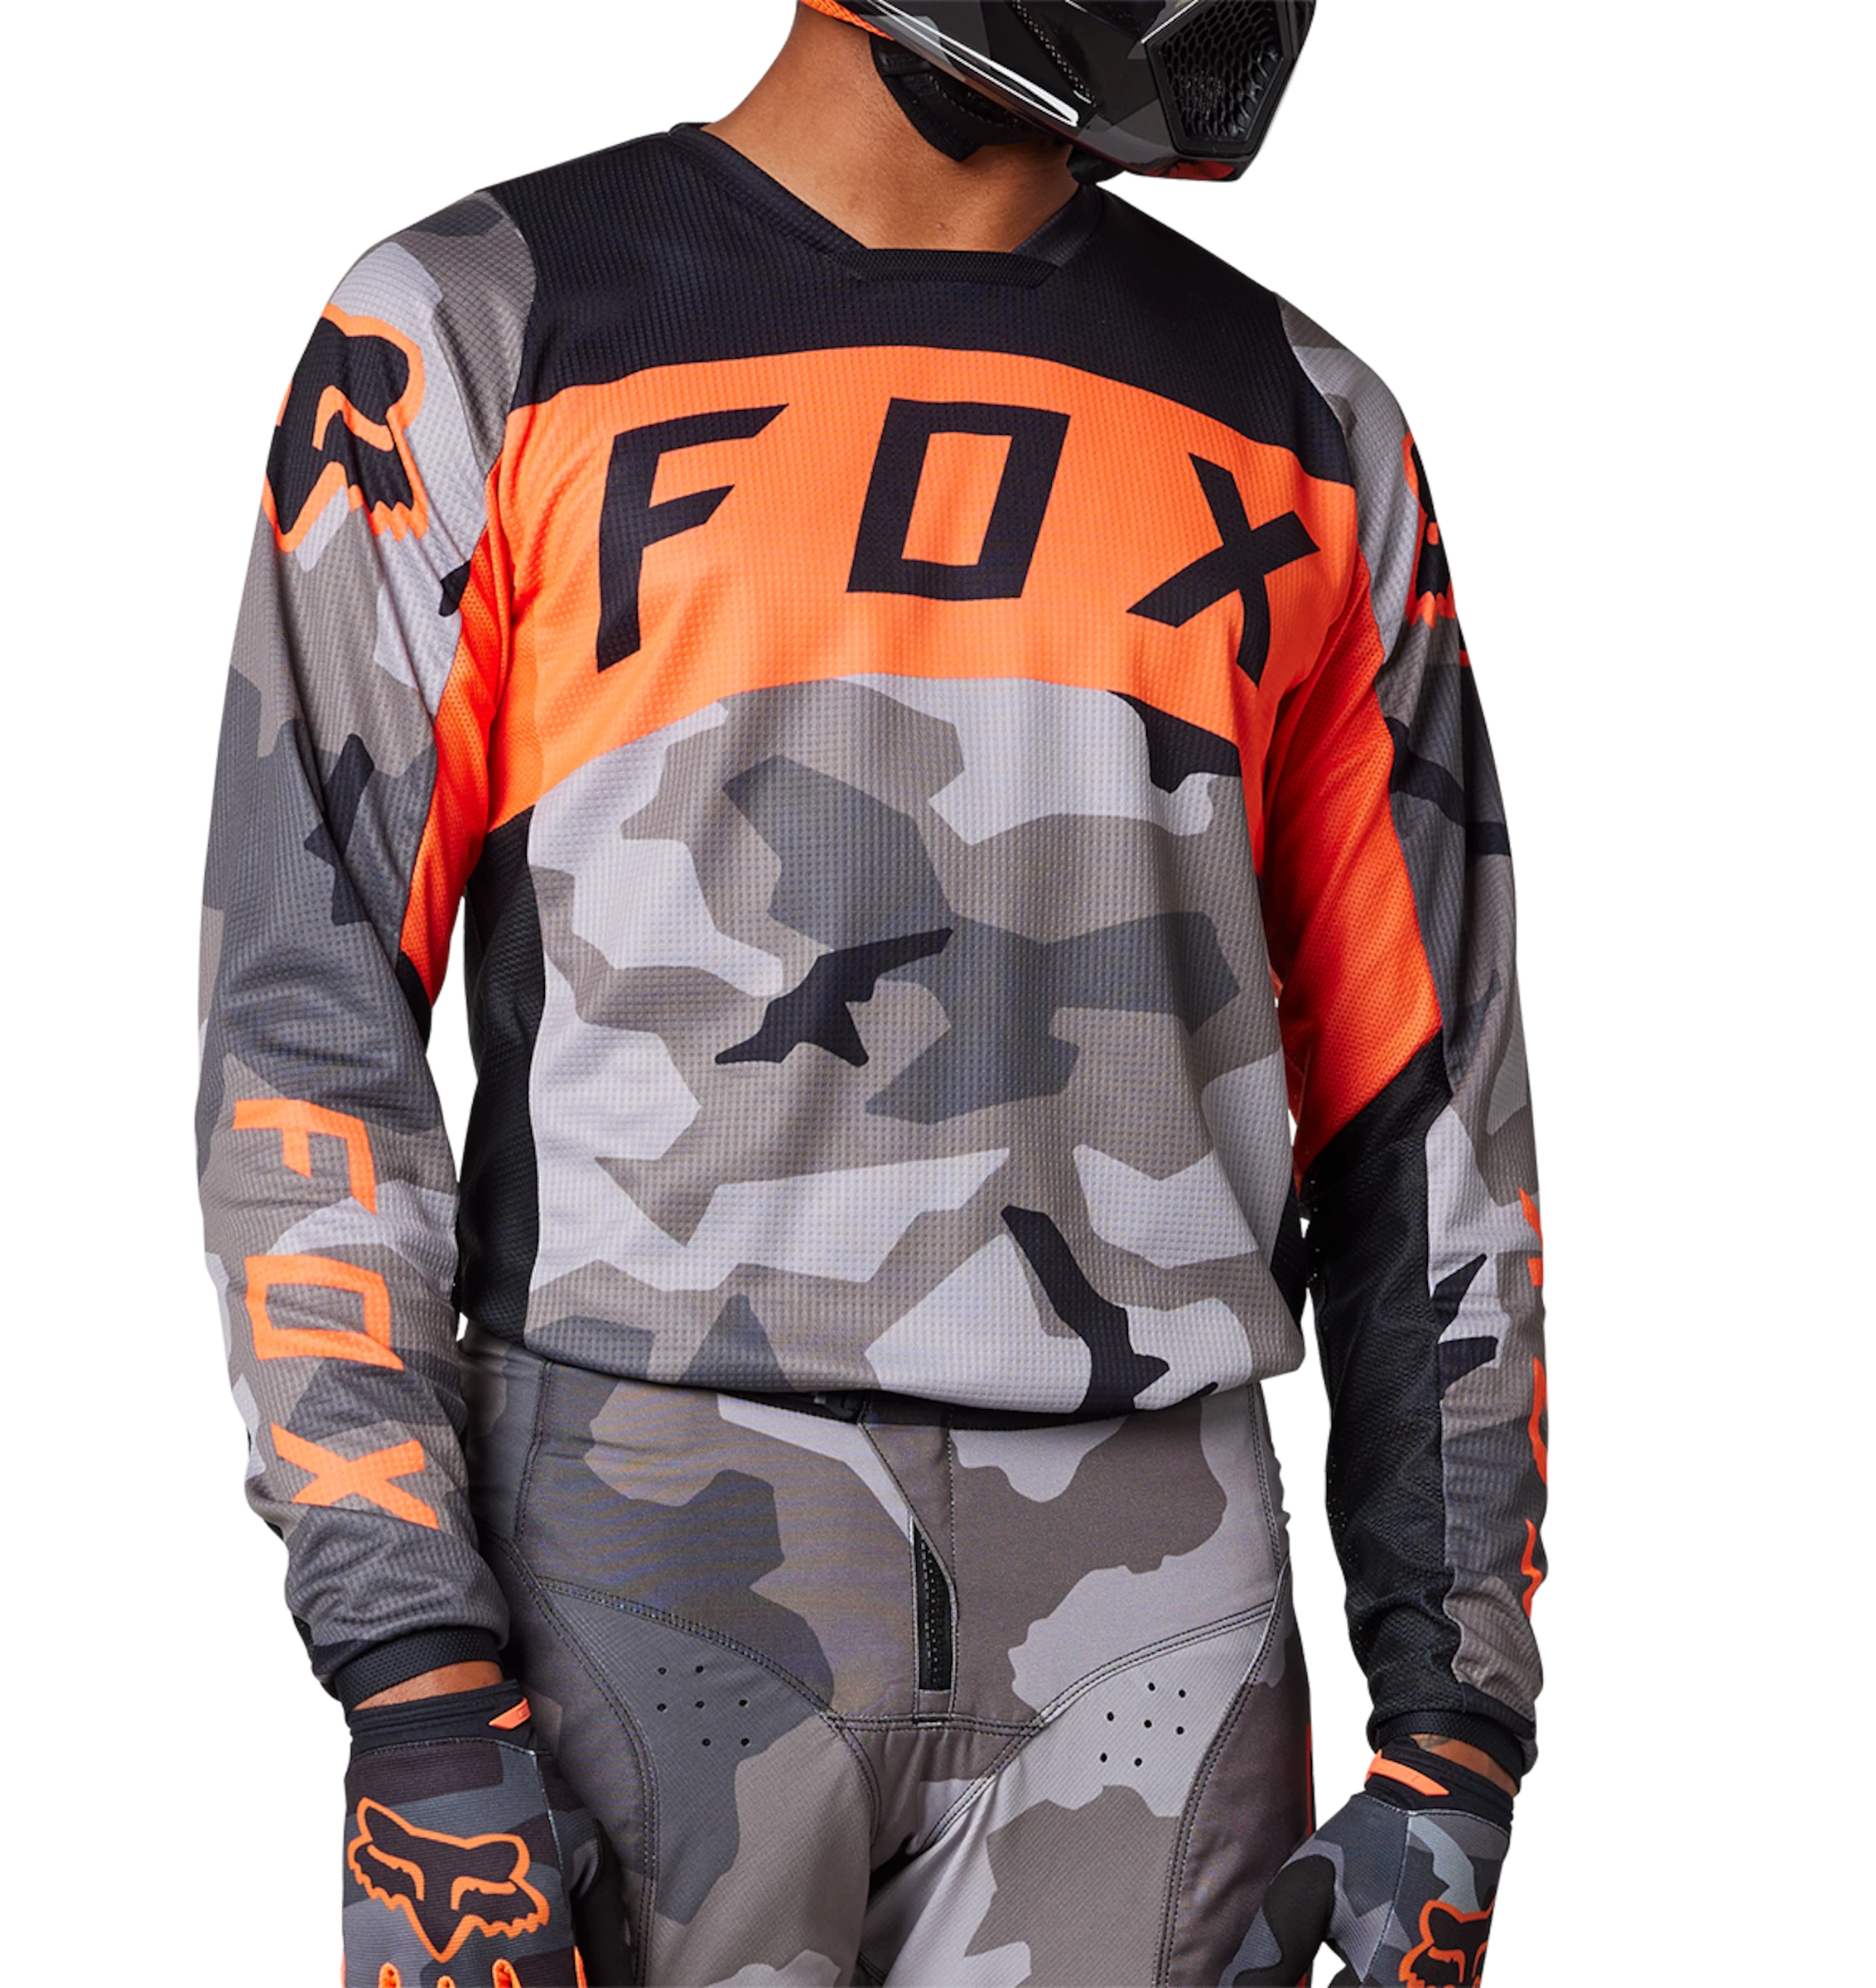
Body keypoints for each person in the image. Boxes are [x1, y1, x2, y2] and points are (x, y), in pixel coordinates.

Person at [192, 4, 1549, 1981]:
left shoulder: (1312, 419)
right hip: (645, 1546)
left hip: (1153, 1591)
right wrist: (406, 1668)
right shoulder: (474, 328)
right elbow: (308, 1025)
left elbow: (1427, 1100)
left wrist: (1457, 1734)